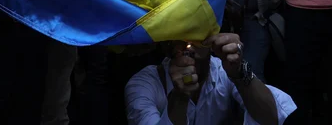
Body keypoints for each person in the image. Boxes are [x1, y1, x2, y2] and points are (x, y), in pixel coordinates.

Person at [124, 33, 296, 125]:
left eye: (197, 30)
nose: (189, 42)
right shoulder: (143, 85)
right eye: (181, 34)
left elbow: (274, 118)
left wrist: (239, 70)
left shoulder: (222, 70)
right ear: (169, 45)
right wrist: (179, 98)